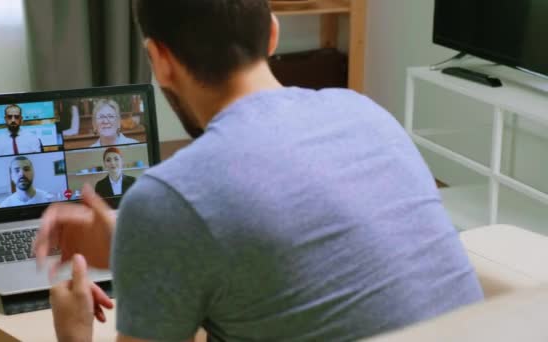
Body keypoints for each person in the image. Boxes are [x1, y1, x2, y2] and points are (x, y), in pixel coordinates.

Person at [34, 1, 484, 341]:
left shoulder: (169, 197)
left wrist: (73, 333)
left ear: (160, 61)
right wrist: (134, 240)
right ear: (272, 34)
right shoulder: (367, 113)